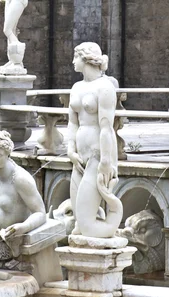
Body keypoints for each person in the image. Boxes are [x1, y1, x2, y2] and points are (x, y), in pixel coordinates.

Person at [67, 42, 123, 238]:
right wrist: (70, 149)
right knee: (77, 222)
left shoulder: (105, 87)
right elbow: (72, 123)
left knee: (86, 226)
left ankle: (108, 231)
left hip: (98, 156)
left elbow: (107, 128)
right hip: (79, 158)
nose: (72, 61)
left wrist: (106, 162)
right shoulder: (76, 87)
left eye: (75, 57)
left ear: (86, 59)